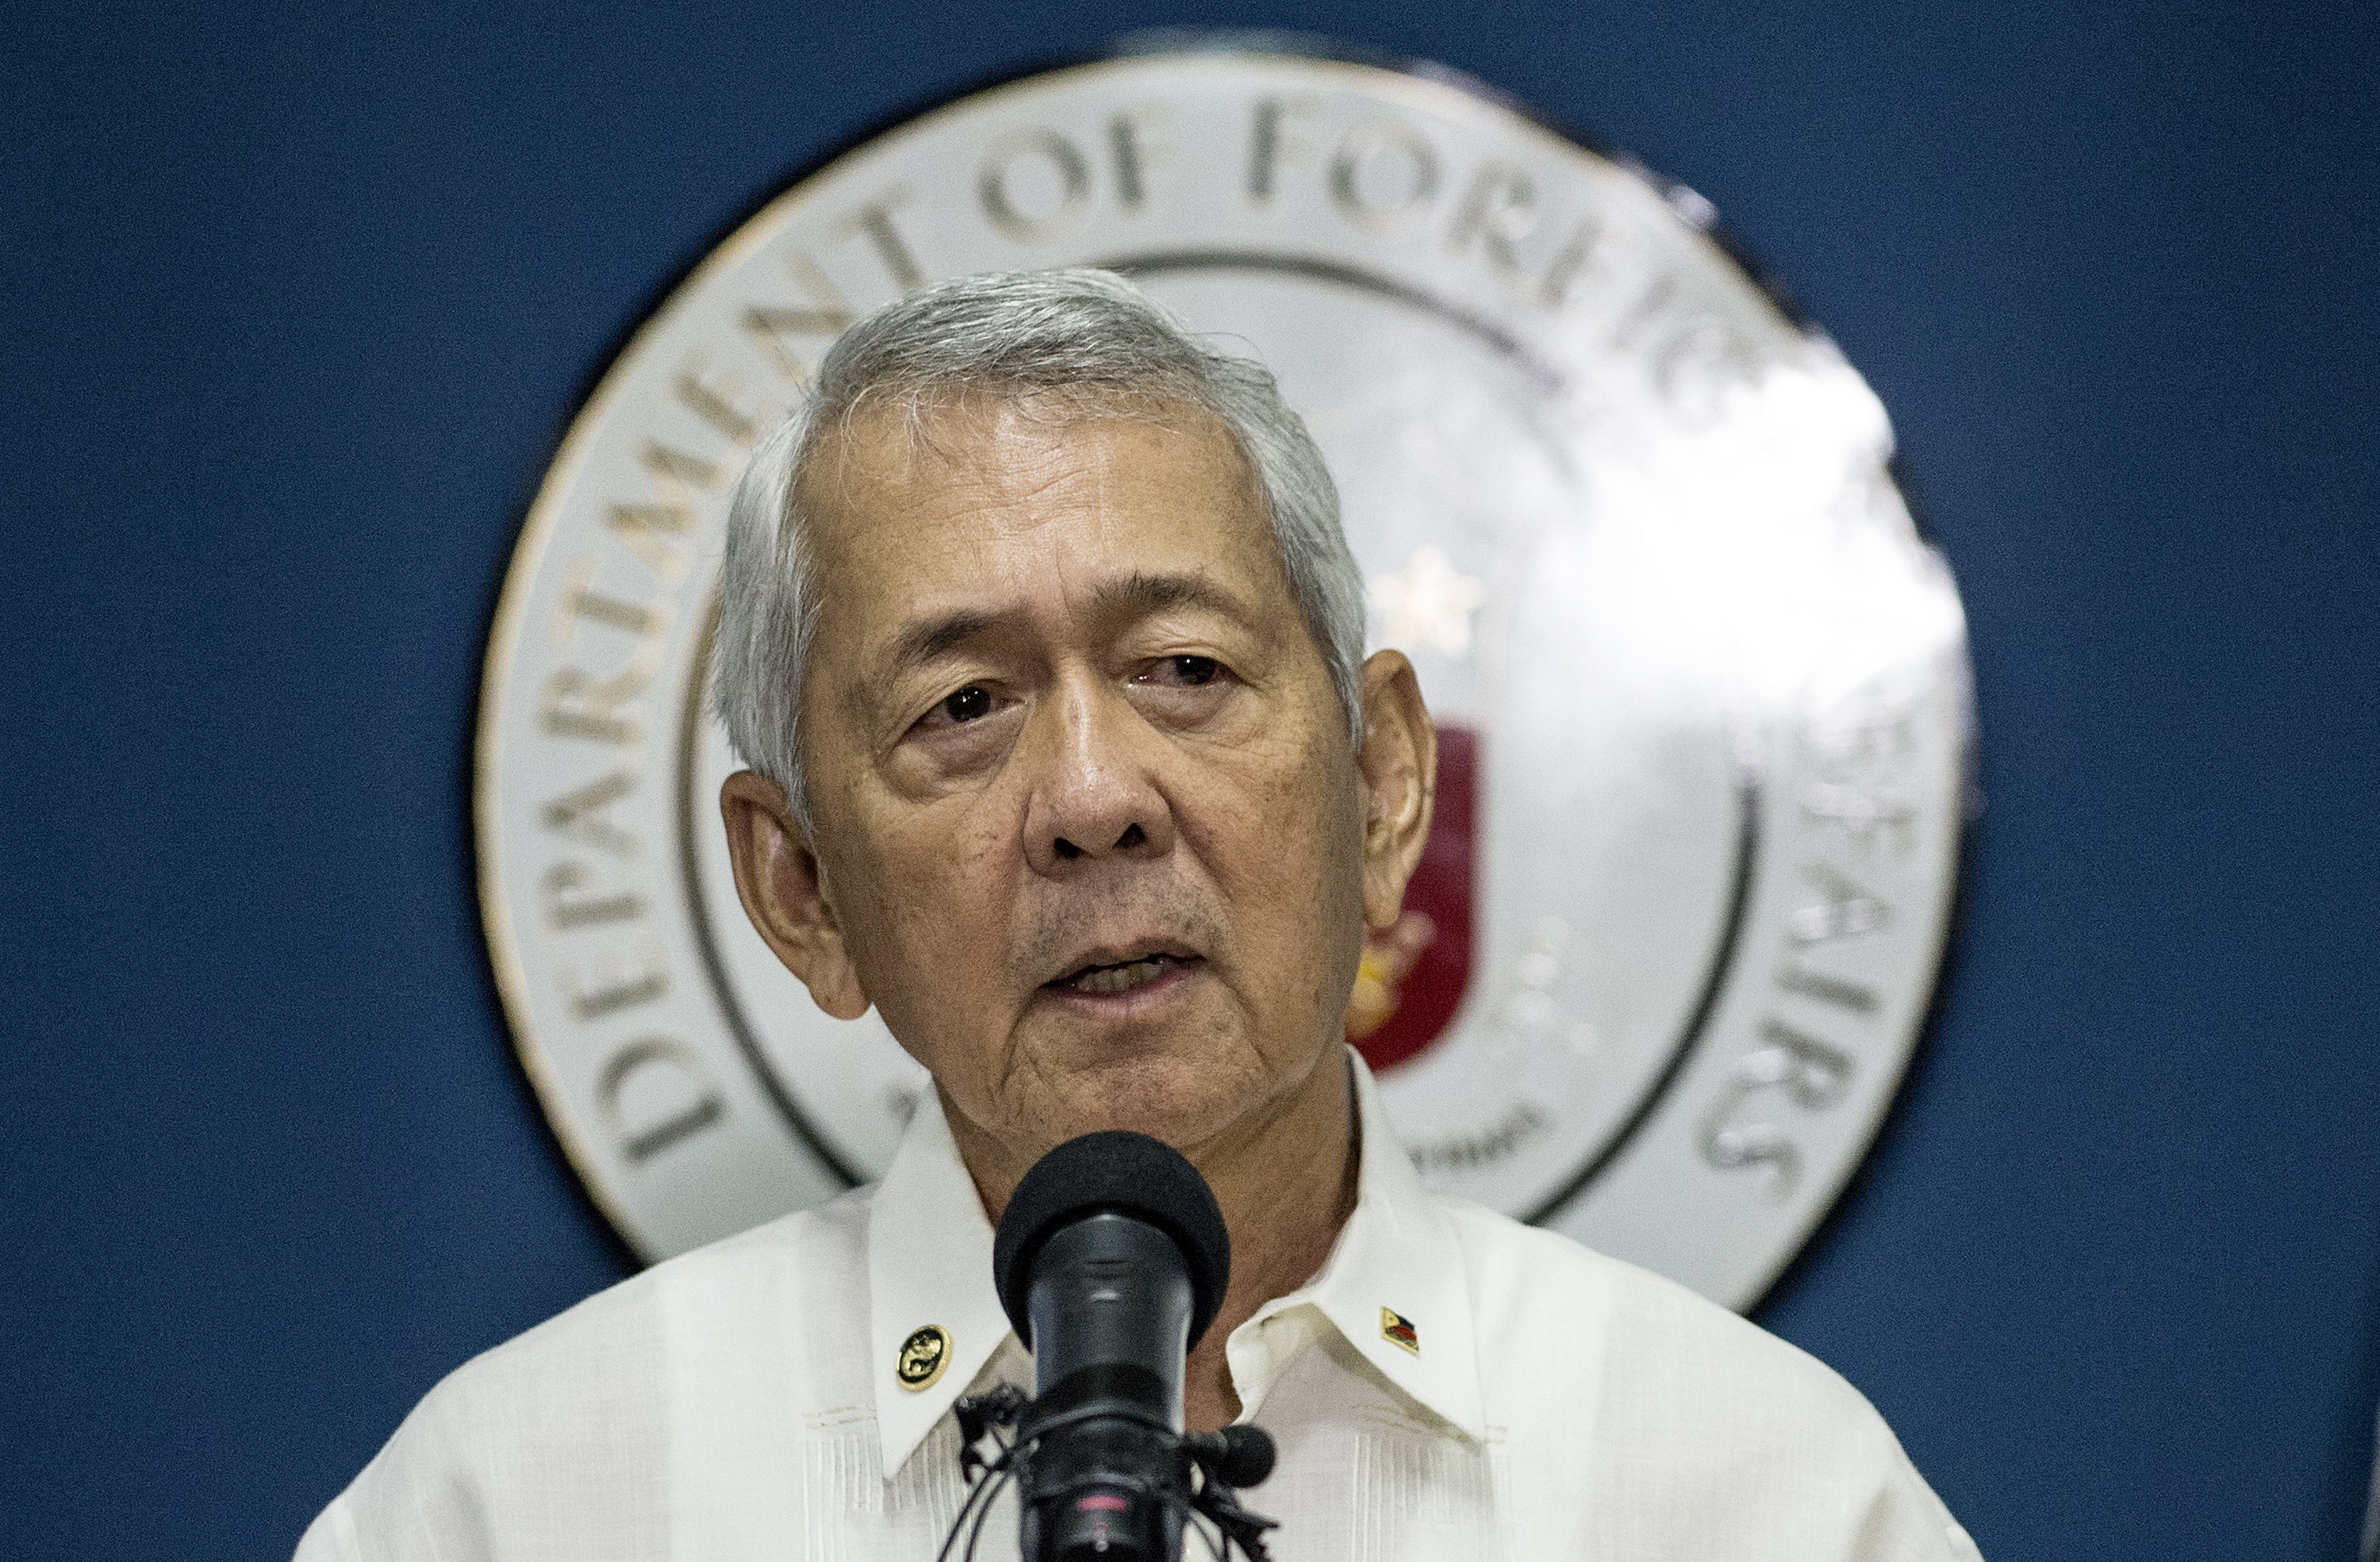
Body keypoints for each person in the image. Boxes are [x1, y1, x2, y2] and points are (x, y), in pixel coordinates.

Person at [298, 269, 1981, 1560]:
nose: (1095, 797)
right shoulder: (522, 1506)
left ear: (1386, 781)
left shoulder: (1760, 1500)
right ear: (801, 890)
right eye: (961, 707)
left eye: (1184, 668)